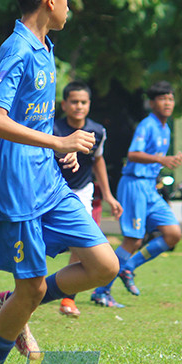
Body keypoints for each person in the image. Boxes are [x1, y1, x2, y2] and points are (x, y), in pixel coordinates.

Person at [0, 0, 119, 364]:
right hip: (14, 189)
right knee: (31, 288)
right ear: (49, 0)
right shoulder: (16, 49)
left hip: (48, 181)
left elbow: (27, 121)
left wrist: (59, 152)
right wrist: (60, 142)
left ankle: (11, 307)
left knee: (103, 265)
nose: (71, 6)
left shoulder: (46, 48)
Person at [91, 81, 182, 308]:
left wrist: (168, 161)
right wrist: (161, 159)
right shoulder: (147, 125)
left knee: (173, 234)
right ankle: (101, 291)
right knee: (133, 239)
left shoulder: (166, 128)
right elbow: (133, 154)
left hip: (150, 188)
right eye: (162, 99)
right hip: (134, 185)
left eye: (170, 98)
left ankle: (129, 267)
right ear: (152, 103)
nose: (167, 103)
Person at [53, 80, 123, 317]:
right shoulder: (53, 130)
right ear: (64, 104)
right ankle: (29, 291)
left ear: (89, 104)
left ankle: (67, 299)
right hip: (54, 191)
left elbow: (98, 161)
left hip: (82, 191)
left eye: (83, 102)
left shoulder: (98, 131)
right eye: (74, 102)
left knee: (81, 244)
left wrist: (109, 196)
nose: (79, 106)